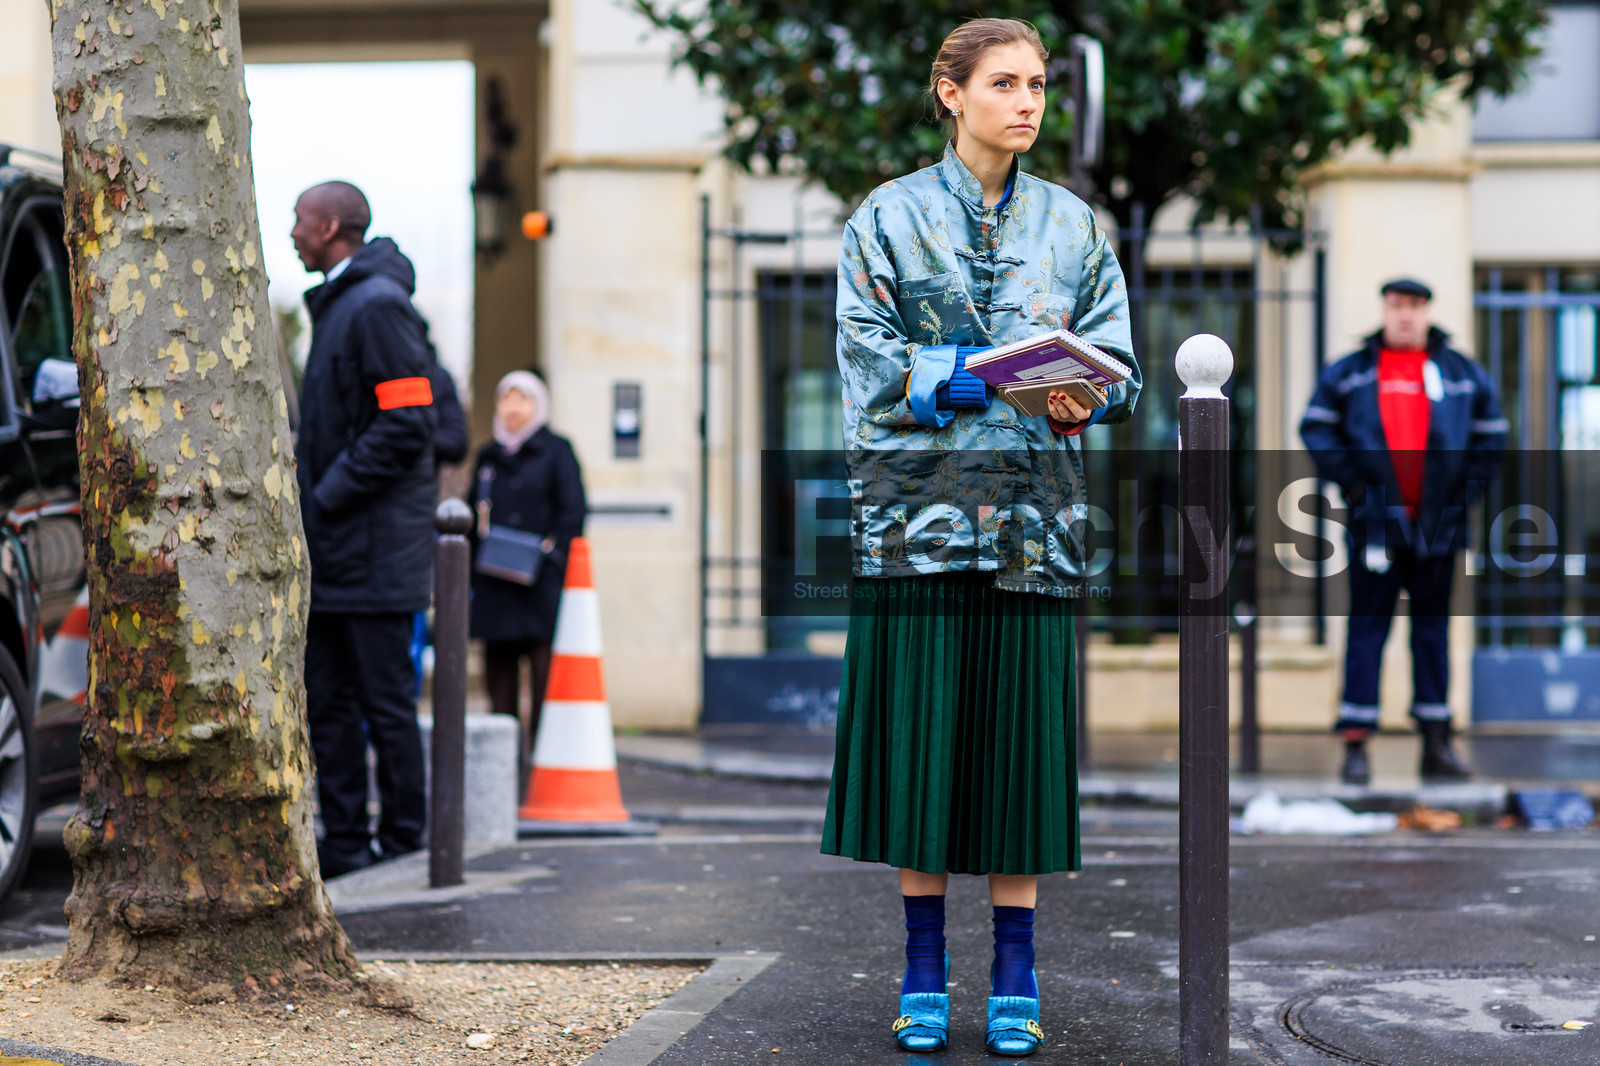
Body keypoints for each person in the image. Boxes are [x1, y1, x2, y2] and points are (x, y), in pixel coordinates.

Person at [821, 19, 1140, 1057]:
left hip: (1036, 530)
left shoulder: (1074, 226)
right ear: (950, 93)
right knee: (921, 752)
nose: (1028, 102)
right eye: (1004, 83)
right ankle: (923, 967)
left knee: (1021, 758)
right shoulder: (886, 216)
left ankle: (1015, 967)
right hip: (913, 527)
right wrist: (963, 377)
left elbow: (1117, 361)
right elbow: (863, 361)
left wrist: (1088, 395)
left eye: (1038, 84)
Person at [1300, 278, 1507, 785]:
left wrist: (1463, 497)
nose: (1406, 315)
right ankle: (1356, 746)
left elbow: (1492, 437)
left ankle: (1436, 744)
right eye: (1397, 305)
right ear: (1385, 309)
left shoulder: (1461, 373)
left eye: (1415, 305)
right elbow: (1316, 428)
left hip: (1440, 528)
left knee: (1432, 634)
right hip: (1374, 527)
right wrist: (1354, 487)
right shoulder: (1351, 371)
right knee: (1367, 630)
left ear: (1427, 311)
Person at [291, 181, 438, 877]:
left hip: (373, 555)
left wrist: (325, 494)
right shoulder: (341, 304)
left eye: (299, 221)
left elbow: (408, 422)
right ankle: (347, 843)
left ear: (329, 227)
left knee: (384, 706)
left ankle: (405, 840)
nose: (292, 233)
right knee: (330, 703)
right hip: (336, 552)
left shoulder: (377, 306)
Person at [468, 370, 586, 788]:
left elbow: (573, 513)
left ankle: (542, 767)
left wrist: (551, 561)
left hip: (540, 588)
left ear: (538, 406)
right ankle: (503, 771)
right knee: (499, 684)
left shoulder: (557, 451)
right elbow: (470, 516)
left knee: (544, 679)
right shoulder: (488, 457)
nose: (513, 409)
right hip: (495, 585)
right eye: (507, 399)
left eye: (523, 400)